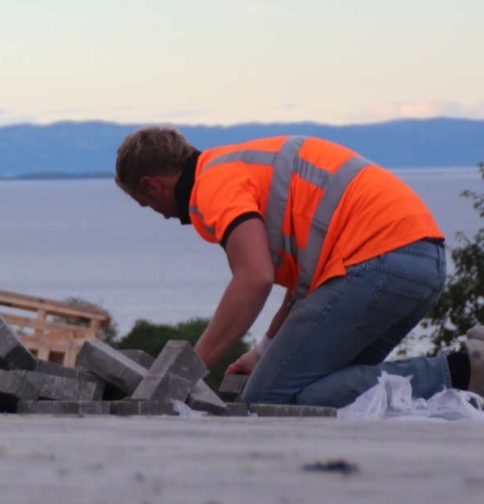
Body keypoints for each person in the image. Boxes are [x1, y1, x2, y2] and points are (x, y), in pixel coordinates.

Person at [113, 126, 484, 408]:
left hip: (377, 261)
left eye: (147, 204)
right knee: (315, 394)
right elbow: (306, 291)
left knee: (267, 400)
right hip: (422, 260)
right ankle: (464, 370)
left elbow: (254, 278)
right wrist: (262, 352)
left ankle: (462, 371)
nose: (160, 215)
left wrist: (184, 373)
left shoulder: (213, 184)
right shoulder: (238, 167)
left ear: (153, 185)